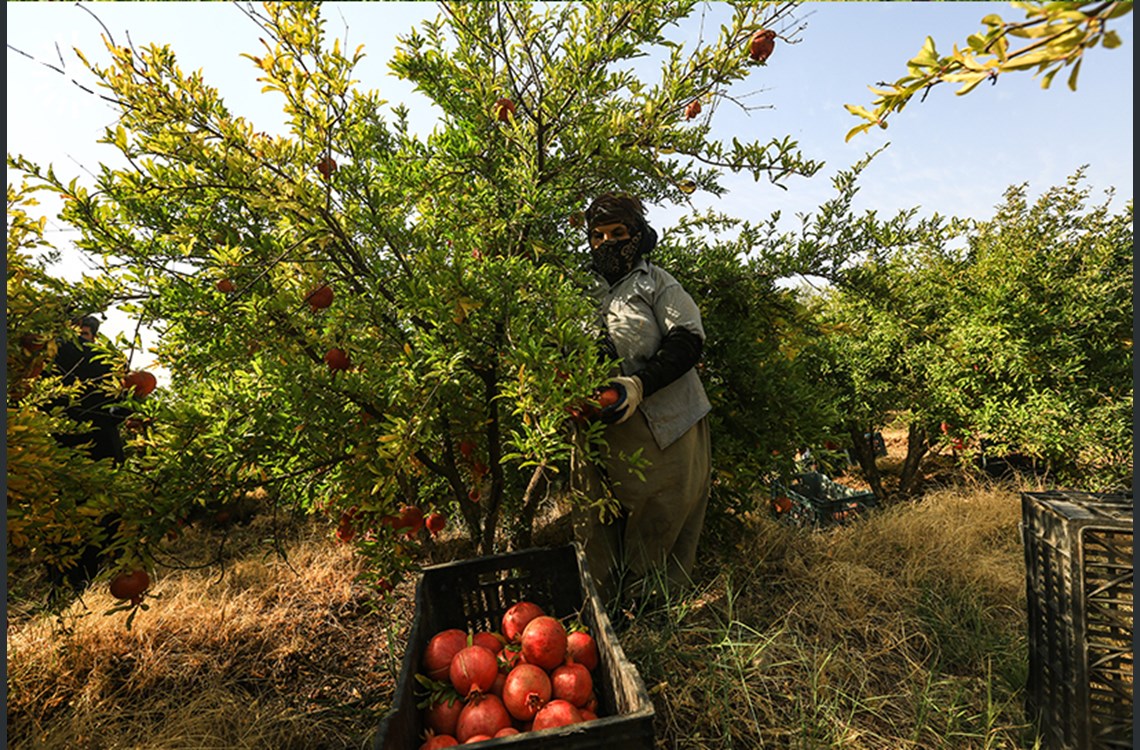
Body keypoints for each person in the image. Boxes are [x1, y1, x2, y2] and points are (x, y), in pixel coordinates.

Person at [570, 192, 712, 610]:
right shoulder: (580, 287)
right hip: (600, 423)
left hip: (664, 418)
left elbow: (688, 340)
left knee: (662, 512)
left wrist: (638, 384)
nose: (607, 243)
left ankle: (653, 612)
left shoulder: (657, 283)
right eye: (597, 236)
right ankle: (605, 608)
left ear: (637, 235)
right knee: (597, 515)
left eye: (618, 233)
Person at [46, 314, 129, 593]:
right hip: (103, 447)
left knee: (63, 521)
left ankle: (65, 586)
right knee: (105, 517)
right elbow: (124, 408)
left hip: (59, 449)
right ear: (94, 332)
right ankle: (100, 581)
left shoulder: (50, 355)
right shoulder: (109, 360)